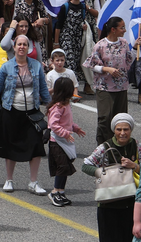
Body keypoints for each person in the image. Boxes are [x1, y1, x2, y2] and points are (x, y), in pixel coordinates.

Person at [0, 34, 51, 195]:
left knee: (36, 146)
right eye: (19, 44)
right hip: (11, 111)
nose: (21, 47)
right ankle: (9, 180)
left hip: (32, 113)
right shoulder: (6, 67)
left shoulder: (36, 66)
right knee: (10, 146)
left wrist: (51, 106)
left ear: (28, 48)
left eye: (25, 44)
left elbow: (43, 89)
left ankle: (33, 182)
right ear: (14, 47)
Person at [81, 113, 141, 242]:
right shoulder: (105, 147)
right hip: (107, 205)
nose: (122, 133)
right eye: (118, 129)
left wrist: (134, 166)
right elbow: (86, 165)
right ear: (113, 130)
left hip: (131, 204)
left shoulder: (137, 146)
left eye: (126, 129)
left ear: (131, 130)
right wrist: (102, 174)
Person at [86, 17, 139, 145]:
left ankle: (118, 145)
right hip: (104, 88)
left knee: (120, 119)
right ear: (113, 29)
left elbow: (129, 61)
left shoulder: (124, 43)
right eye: (122, 28)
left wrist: (135, 48)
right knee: (105, 118)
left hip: (121, 87)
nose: (124, 30)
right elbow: (92, 65)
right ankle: (103, 146)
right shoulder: (100, 45)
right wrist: (107, 69)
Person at [46, 76, 85, 207]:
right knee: (62, 167)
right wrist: (65, 133)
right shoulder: (58, 107)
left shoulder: (66, 105)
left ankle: (61, 192)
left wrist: (75, 127)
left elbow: (66, 121)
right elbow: (53, 124)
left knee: (66, 166)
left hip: (64, 140)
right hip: (57, 141)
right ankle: (55, 192)